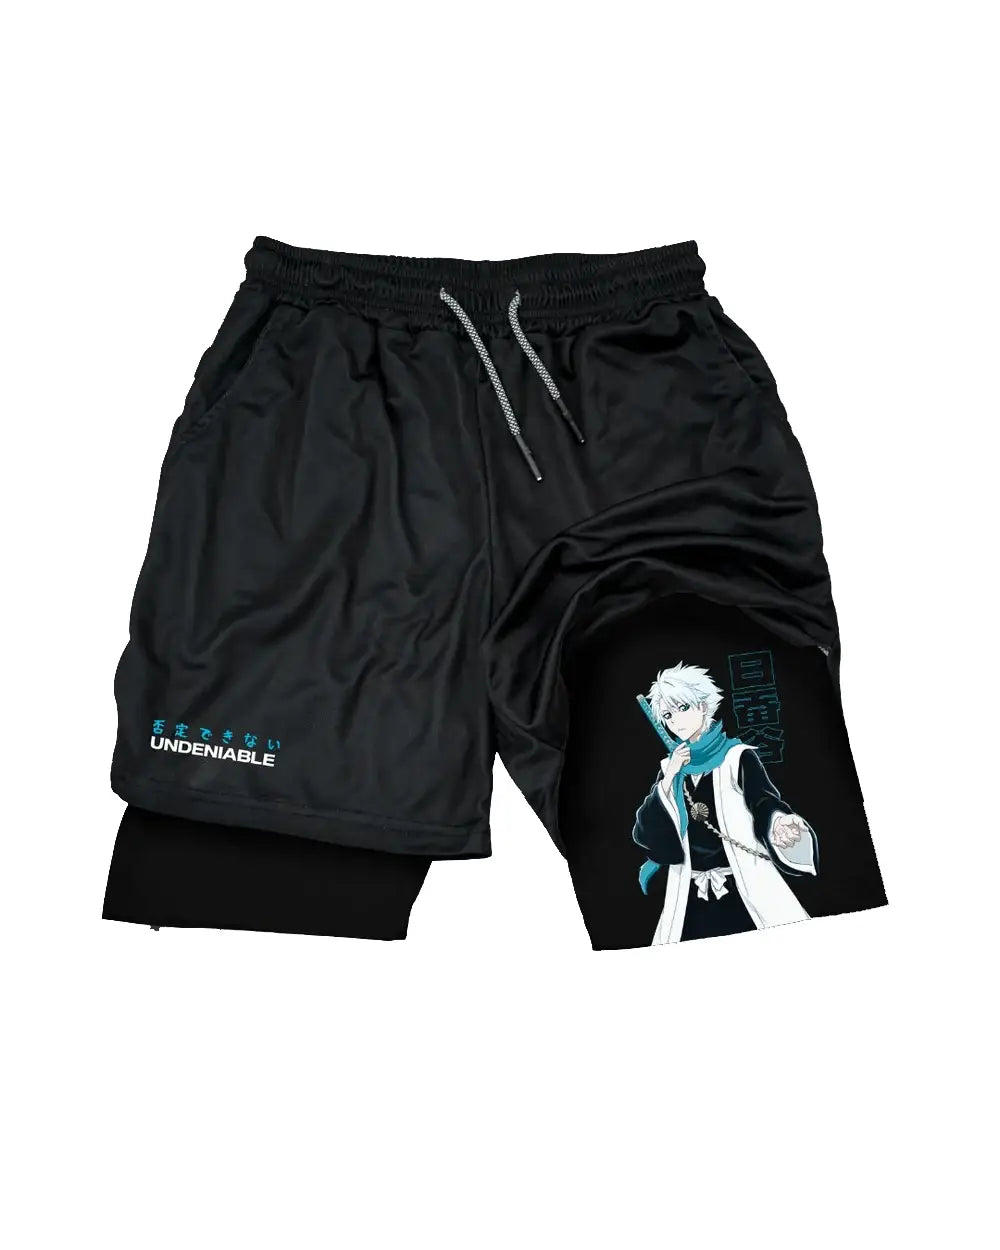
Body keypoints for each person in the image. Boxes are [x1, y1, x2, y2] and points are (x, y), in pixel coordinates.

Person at [632, 663, 817, 945]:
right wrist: (669, 778)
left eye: (683, 708)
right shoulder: (670, 769)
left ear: (704, 706)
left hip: (742, 884)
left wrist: (779, 821)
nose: (676, 721)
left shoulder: (737, 757)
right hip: (690, 892)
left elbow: (764, 801)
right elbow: (647, 832)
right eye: (667, 715)